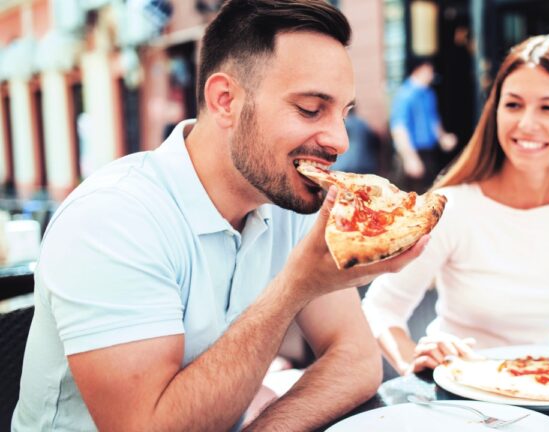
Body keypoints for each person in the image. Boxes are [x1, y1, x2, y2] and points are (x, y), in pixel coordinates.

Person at [12, 1, 430, 431]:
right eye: (310, 109)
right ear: (225, 100)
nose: (339, 140)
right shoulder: (112, 220)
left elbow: (357, 359)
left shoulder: (285, 196)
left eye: (344, 113)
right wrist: (294, 288)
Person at [362, 35, 549, 376]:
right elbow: (381, 307)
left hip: (541, 387)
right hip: (456, 394)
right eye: (513, 105)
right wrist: (415, 365)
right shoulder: (452, 206)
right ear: (495, 111)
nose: (527, 124)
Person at [389, 58, 457, 192]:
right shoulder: (405, 94)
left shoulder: (429, 94)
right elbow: (399, 128)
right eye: (429, 72)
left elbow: (434, 121)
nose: (432, 76)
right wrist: (410, 158)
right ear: (418, 71)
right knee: (410, 199)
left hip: (428, 153)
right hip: (411, 152)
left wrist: (443, 137)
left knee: (429, 195)